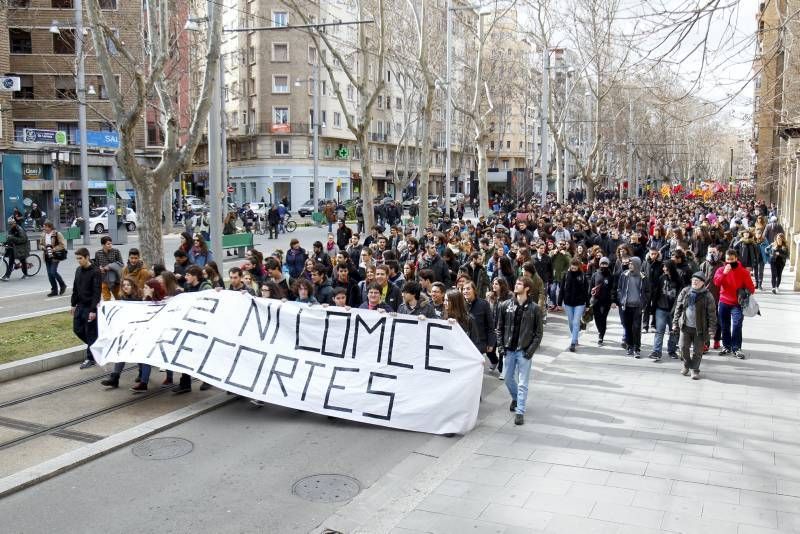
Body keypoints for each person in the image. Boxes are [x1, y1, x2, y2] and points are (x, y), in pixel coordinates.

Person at [495, 277, 544, 426]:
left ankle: (520, 411)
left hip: (523, 351)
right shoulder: (505, 305)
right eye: (516, 283)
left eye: (519, 284)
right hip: (509, 350)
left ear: (527, 288)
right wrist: (501, 347)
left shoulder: (534, 308)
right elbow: (499, 328)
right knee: (508, 379)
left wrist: (529, 351)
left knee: (523, 383)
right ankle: (516, 398)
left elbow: (538, 333)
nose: (515, 285)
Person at [672, 272, 717, 379]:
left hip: (700, 329)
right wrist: (675, 323)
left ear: (703, 283)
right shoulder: (685, 291)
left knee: (698, 351)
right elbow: (678, 308)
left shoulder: (707, 295)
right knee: (683, 347)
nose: (695, 282)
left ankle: (694, 369)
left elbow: (712, 314)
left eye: (697, 281)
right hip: (685, 326)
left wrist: (711, 330)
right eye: (693, 280)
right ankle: (686, 365)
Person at [713, 248, 755, 359]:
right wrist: (725, 274)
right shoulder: (721, 270)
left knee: (737, 325)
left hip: (738, 303)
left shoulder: (743, 272)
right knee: (725, 326)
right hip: (724, 301)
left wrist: (744, 290)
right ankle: (726, 346)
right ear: (725, 259)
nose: (730, 262)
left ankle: (736, 348)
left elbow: (751, 288)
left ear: (736, 258)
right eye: (728, 259)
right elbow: (716, 282)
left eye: (732, 259)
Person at [71, 248, 101, 369]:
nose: (79, 261)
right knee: (77, 329)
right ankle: (95, 346)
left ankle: (90, 358)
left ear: (87, 257)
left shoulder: (95, 271)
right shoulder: (78, 270)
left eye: (80, 258)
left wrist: (93, 310)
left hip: (90, 306)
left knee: (90, 332)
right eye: (77, 258)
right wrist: (73, 304)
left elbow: (96, 292)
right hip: (80, 305)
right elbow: (75, 288)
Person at [615, 256, 649, 358]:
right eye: (629, 264)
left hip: (637, 307)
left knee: (636, 327)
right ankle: (629, 346)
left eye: (632, 264)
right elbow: (619, 289)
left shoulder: (643, 277)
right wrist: (621, 299)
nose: (629, 266)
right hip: (626, 306)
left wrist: (643, 302)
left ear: (637, 265)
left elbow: (647, 291)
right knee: (628, 327)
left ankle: (637, 348)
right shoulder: (624, 275)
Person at [649, 261, 680, 361]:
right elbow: (656, 292)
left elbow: (680, 295)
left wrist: (677, 309)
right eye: (663, 267)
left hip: (674, 311)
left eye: (665, 267)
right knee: (659, 331)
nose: (664, 269)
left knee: (673, 332)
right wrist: (653, 307)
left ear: (670, 268)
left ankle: (672, 350)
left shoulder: (679, 280)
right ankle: (657, 351)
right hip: (661, 308)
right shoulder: (661, 278)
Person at [462, 280, 496, 364]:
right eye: (464, 289)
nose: (465, 291)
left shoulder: (483, 304)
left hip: (479, 343)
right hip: (464, 342)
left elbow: (490, 325)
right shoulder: (461, 305)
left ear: (474, 290)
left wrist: (491, 343)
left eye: (468, 289)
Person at [562, 258, 589, 352]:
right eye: (572, 267)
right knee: (570, 322)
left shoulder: (582, 276)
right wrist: (558, 302)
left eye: (575, 267)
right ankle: (575, 336)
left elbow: (586, 291)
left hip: (579, 303)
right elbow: (562, 289)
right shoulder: (566, 275)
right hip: (568, 302)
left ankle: (573, 342)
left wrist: (588, 304)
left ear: (578, 267)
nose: (573, 268)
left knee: (576, 321)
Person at [589, 256, 613, 345]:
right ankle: (600, 331)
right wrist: (588, 301)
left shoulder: (611, 276)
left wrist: (613, 301)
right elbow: (590, 288)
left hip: (607, 301)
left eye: (605, 264)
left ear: (608, 265)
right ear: (599, 264)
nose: (604, 265)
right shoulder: (595, 274)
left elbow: (613, 289)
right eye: (602, 263)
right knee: (597, 317)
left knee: (603, 318)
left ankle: (601, 335)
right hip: (596, 300)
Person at [39, 220, 67, 296]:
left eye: (45, 227)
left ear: (50, 227)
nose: (44, 228)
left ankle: (62, 285)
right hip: (47, 256)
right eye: (44, 226)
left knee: (53, 272)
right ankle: (54, 290)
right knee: (49, 274)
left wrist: (53, 249)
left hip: (55, 256)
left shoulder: (57, 234)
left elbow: (62, 245)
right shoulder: (43, 235)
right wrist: (43, 247)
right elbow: (40, 244)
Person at [95, 236, 123, 300]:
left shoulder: (116, 251)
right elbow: (96, 265)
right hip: (104, 279)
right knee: (106, 299)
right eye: (108, 244)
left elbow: (121, 264)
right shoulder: (98, 253)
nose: (110, 245)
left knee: (119, 298)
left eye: (111, 243)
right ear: (103, 245)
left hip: (116, 279)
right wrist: (100, 269)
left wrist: (110, 266)